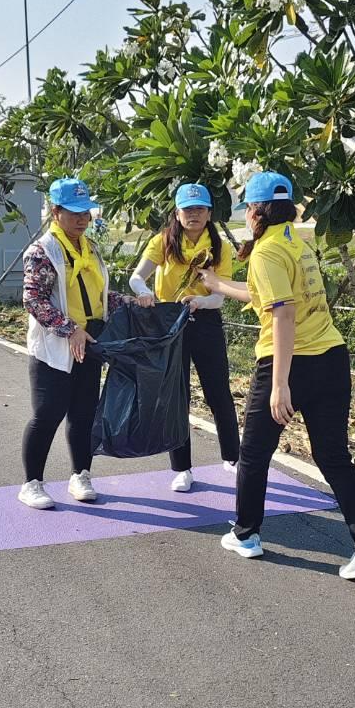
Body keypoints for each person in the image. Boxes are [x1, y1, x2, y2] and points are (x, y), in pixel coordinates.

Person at [199, 171, 355, 582]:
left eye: (249, 208)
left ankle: (245, 534)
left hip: (287, 362)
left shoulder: (267, 251)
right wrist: (217, 284)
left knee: (253, 454)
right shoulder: (295, 242)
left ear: (255, 211)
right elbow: (264, 295)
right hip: (331, 356)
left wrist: (280, 384)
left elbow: (282, 313)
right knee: (333, 456)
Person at [18, 176, 153, 510]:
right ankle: (32, 483)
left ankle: (81, 474)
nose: (82, 219)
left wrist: (131, 302)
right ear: (55, 211)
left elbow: (98, 295)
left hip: (90, 341)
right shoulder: (43, 251)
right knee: (48, 414)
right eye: (74, 213)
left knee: (83, 414)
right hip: (55, 346)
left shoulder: (89, 247)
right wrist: (70, 329)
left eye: (86, 213)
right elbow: (33, 300)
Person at [129, 181, 240, 492]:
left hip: (205, 321)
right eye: (187, 209)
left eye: (199, 209)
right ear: (176, 214)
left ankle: (233, 457)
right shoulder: (163, 242)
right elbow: (137, 277)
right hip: (170, 324)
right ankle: (182, 468)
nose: (193, 214)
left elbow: (219, 295)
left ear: (208, 214)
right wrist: (145, 293)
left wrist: (199, 301)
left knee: (218, 392)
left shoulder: (220, 247)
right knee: (175, 397)